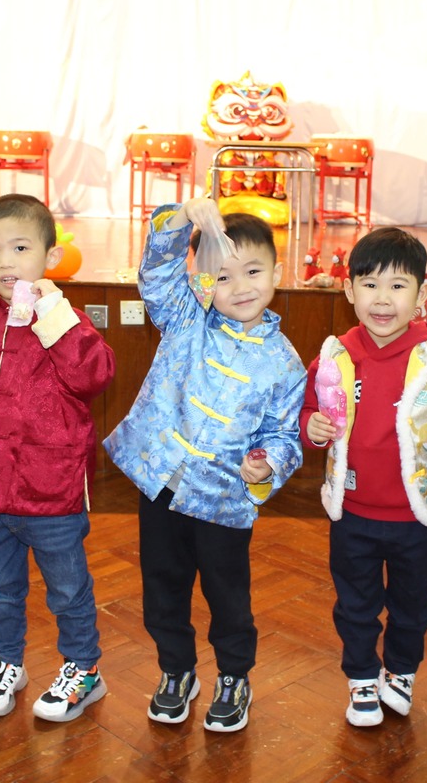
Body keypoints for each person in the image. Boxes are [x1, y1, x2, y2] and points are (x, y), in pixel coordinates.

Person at [104, 198, 305, 733]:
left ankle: (234, 675)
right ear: (203, 281)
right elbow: (156, 272)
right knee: (162, 589)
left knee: (228, 596)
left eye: (253, 272)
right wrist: (181, 219)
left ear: (277, 273)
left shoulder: (286, 363)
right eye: (223, 275)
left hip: (222, 501)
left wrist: (270, 464)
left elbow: (285, 435)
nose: (239, 286)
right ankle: (176, 670)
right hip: (160, 486)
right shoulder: (184, 316)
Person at [0, 193, 115, 722]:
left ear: (51, 257)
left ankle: (84, 668)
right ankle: (6, 662)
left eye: (19, 248)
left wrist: (56, 319)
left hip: (51, 493)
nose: (5, 261)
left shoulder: (68, 321)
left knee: (68, 591)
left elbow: (95, 376)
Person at [301, 227, 427, 728]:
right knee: (355, 604)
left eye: (398, 285)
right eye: (369, 284)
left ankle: (401, 671)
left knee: (413, 604)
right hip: (353, 513)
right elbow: (308, 412)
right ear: (349, 290)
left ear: (421, 294)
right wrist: (311, 427)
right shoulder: (334, 357)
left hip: (419, 518)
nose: (382, 299)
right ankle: (362, 676)